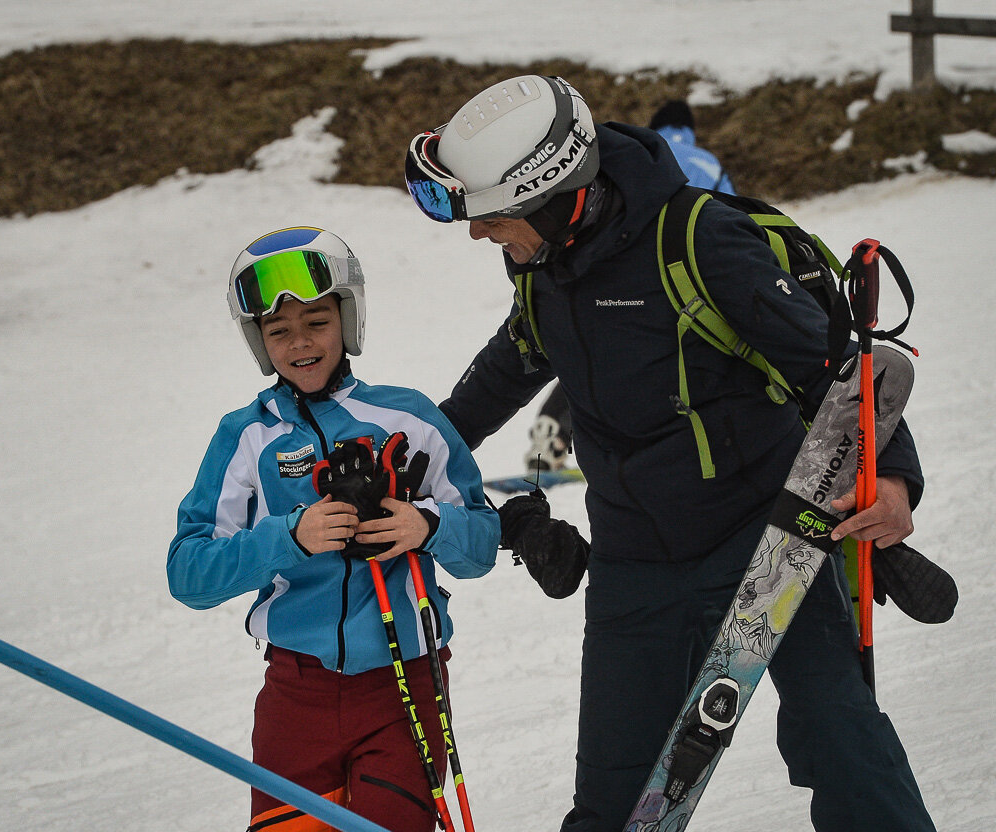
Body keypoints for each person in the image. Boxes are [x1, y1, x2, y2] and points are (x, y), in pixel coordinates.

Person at [403, 75, 936, 832]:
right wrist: (428, 444)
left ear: (550, 194)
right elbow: (515, 360)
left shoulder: (698, 238)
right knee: (619, 801)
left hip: (768, 537)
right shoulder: (543, 265)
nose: (479, 233)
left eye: (492, 216)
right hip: (635, 558)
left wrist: (899, 481)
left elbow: (829, 370)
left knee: (840, 738)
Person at [166, 227, 499, 832]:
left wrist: (425, 525)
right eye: (278, 331)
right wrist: (289, 536)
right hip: (297, 696)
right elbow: (189, 574)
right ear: (259, 343)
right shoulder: (245, 437)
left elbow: (479, 545)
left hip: (404, 687)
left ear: (347, 318)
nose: (300, 344)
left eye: (316, 321)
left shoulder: (409, 416)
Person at [524, 98, 735, 475]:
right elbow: (731, 215)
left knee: (596, 355)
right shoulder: (708, 161)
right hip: (694, 278)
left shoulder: (643, 153)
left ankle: (552, 430)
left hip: (627, 272)